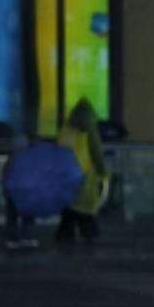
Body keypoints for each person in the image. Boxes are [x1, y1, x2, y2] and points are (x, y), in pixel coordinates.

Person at [56, 98, 107, 243]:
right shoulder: (90, 131)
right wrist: (103, 172)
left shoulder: (65, 130)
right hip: (85, 175)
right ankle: (90, 234)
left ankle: (65, 234)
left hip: (65, 175)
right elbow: (97, 153)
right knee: (86, 210)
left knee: (69, 208)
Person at [2, 132, 38, 250]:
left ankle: (11, 239)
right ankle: (27, 238)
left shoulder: (10, 162)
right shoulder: (30, 161)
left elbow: (5, 178)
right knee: (27, 218)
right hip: (26, 196)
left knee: (12, 218)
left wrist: (6, 192)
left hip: (13, 195)